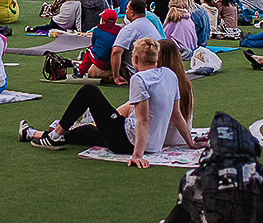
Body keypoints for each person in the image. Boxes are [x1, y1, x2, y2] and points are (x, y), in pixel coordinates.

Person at [17, 37, 203, 168]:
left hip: (126, 140)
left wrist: (137, 155)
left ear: (136, 59)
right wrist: (190, 143)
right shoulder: (170, 76)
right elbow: (176, 114)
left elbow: (142, 119)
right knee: (88, 132)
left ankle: (53, 137)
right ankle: (35, 134)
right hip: (151, 143)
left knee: (89, 91)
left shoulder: (140, 79)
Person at [110, 0, 162, 85]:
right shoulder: (149, 25)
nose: (126, 11)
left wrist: (116, 76)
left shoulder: (130, 28)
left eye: (127, 9)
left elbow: (116, 52)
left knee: (95, 70)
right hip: (155, 69)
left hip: (137, 71)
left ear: (131, 12)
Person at [76, 8, 122, 80]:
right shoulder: (119, 30)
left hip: (102, 61)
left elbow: (93, 43)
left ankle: (80, 72)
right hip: (115, 60)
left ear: (103, 20)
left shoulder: (98, 30)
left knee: (89, 51)